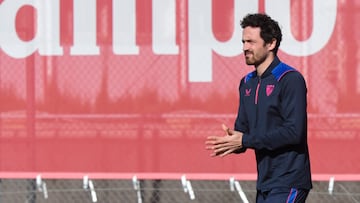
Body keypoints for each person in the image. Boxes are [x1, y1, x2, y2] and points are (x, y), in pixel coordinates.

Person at [205, 13, 312, 203]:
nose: (245, 48)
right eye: (243, 42)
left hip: (289, 181)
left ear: (271, 44)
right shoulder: (247, 83)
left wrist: (245, 140)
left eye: (251, 42)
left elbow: (294, 132)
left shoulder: (290, 79)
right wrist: (233, 141)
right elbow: (243, 134)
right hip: (264, 183)